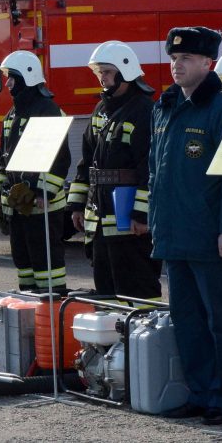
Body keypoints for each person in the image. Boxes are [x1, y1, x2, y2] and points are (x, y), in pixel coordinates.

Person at [150, 26, 222, 426]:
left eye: (186, 59)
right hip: (175, 236)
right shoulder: (165, 107)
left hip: (212, 239)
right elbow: (157, 175)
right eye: (174, 59)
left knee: (220, 321)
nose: (177, 66)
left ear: (208, 64)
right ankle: (200, 391)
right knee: (187, 320)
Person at [67, 41, 161, 298]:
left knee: (138, 285)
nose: (102, 79)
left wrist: (142, 214)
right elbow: (86, 162)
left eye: (107, 72)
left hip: (130, 222)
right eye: (99, 73)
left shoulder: (144, 111)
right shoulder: (101, 111)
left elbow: (150, 168)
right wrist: (76, 204)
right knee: (105, 288)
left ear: (125, 72)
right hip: (99, 219)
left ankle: (145, 336)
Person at [0, 50, 71, 294]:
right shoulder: (12, 115)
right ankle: (28, 308)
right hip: (20, 204)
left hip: (43, 207)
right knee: (23, 262)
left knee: (46, 263)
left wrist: (41, 192)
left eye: (11, 78)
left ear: (27, 77)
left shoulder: (47, 110)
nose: (7, 84)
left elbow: (59, 160)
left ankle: (51, 307)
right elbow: (4, 161)